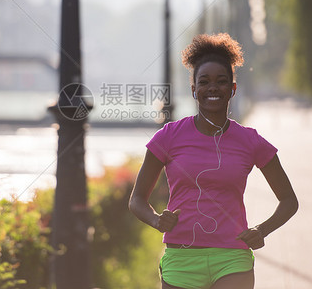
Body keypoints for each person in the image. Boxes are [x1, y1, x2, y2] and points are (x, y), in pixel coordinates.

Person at [128, 33, 298, 289]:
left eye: (221, 81)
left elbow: (289, 201)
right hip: (181, 258)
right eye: (204, 81)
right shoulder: (169, 137)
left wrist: (262, 230)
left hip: (232, 259)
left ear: (233, 88)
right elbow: (137, 200)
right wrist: (156, 220)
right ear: (194, 89)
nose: (213, 87)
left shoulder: (250, 141)